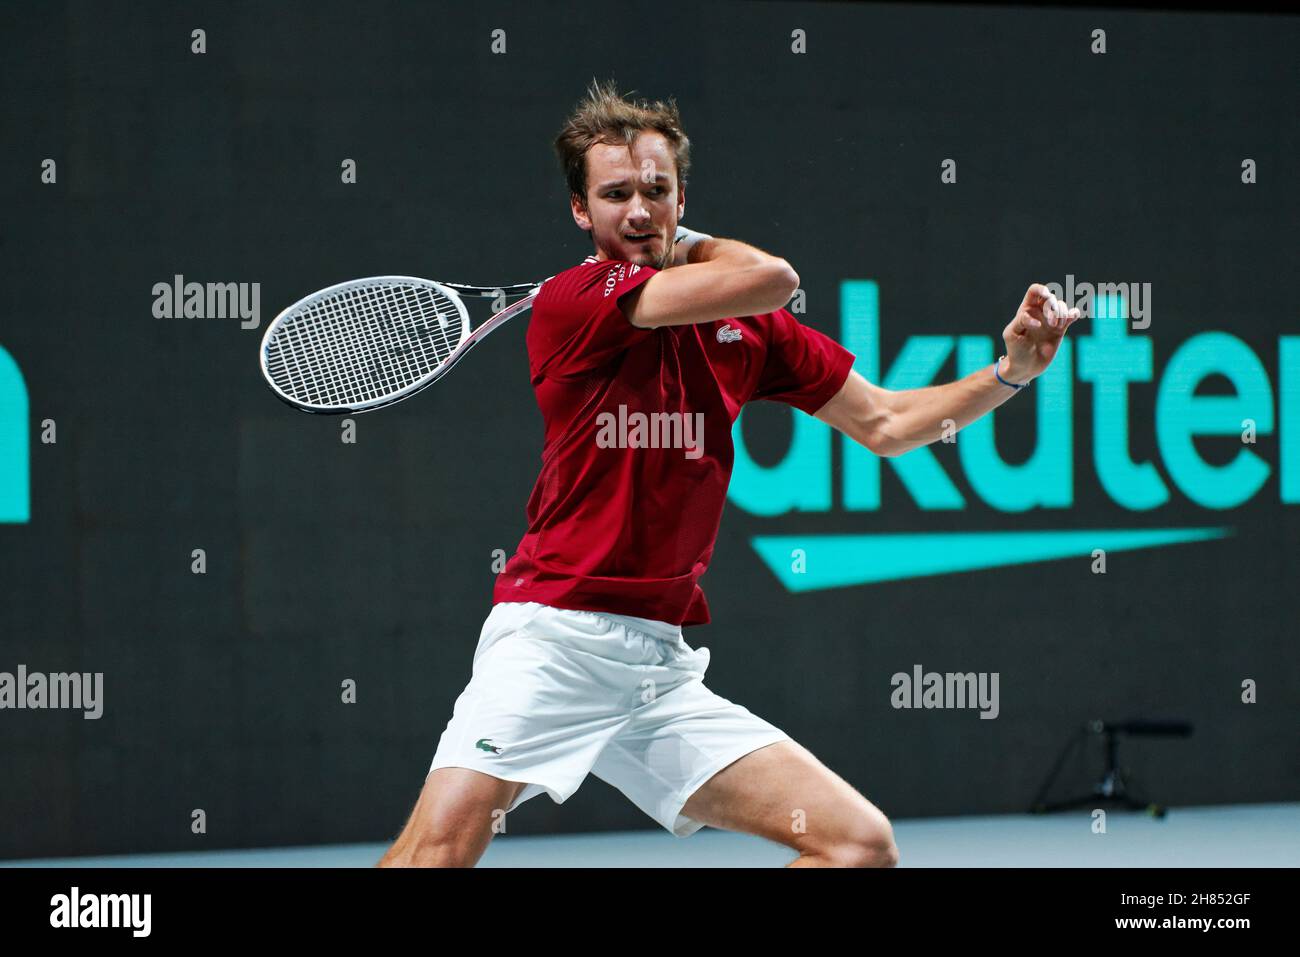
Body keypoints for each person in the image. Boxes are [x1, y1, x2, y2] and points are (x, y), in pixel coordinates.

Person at [378, 81, 1079, 868]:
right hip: (554, 637)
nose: (638, 211)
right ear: (580, 211)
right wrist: (696, 240)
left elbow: (887, 425)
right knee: (432, 857)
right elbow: (775, 275)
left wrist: (1011, 373)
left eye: (656, 189)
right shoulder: (577, 300)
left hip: (658, 664)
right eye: (615, 194)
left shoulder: (755, 333)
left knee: (856, 845)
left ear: (683, 193)